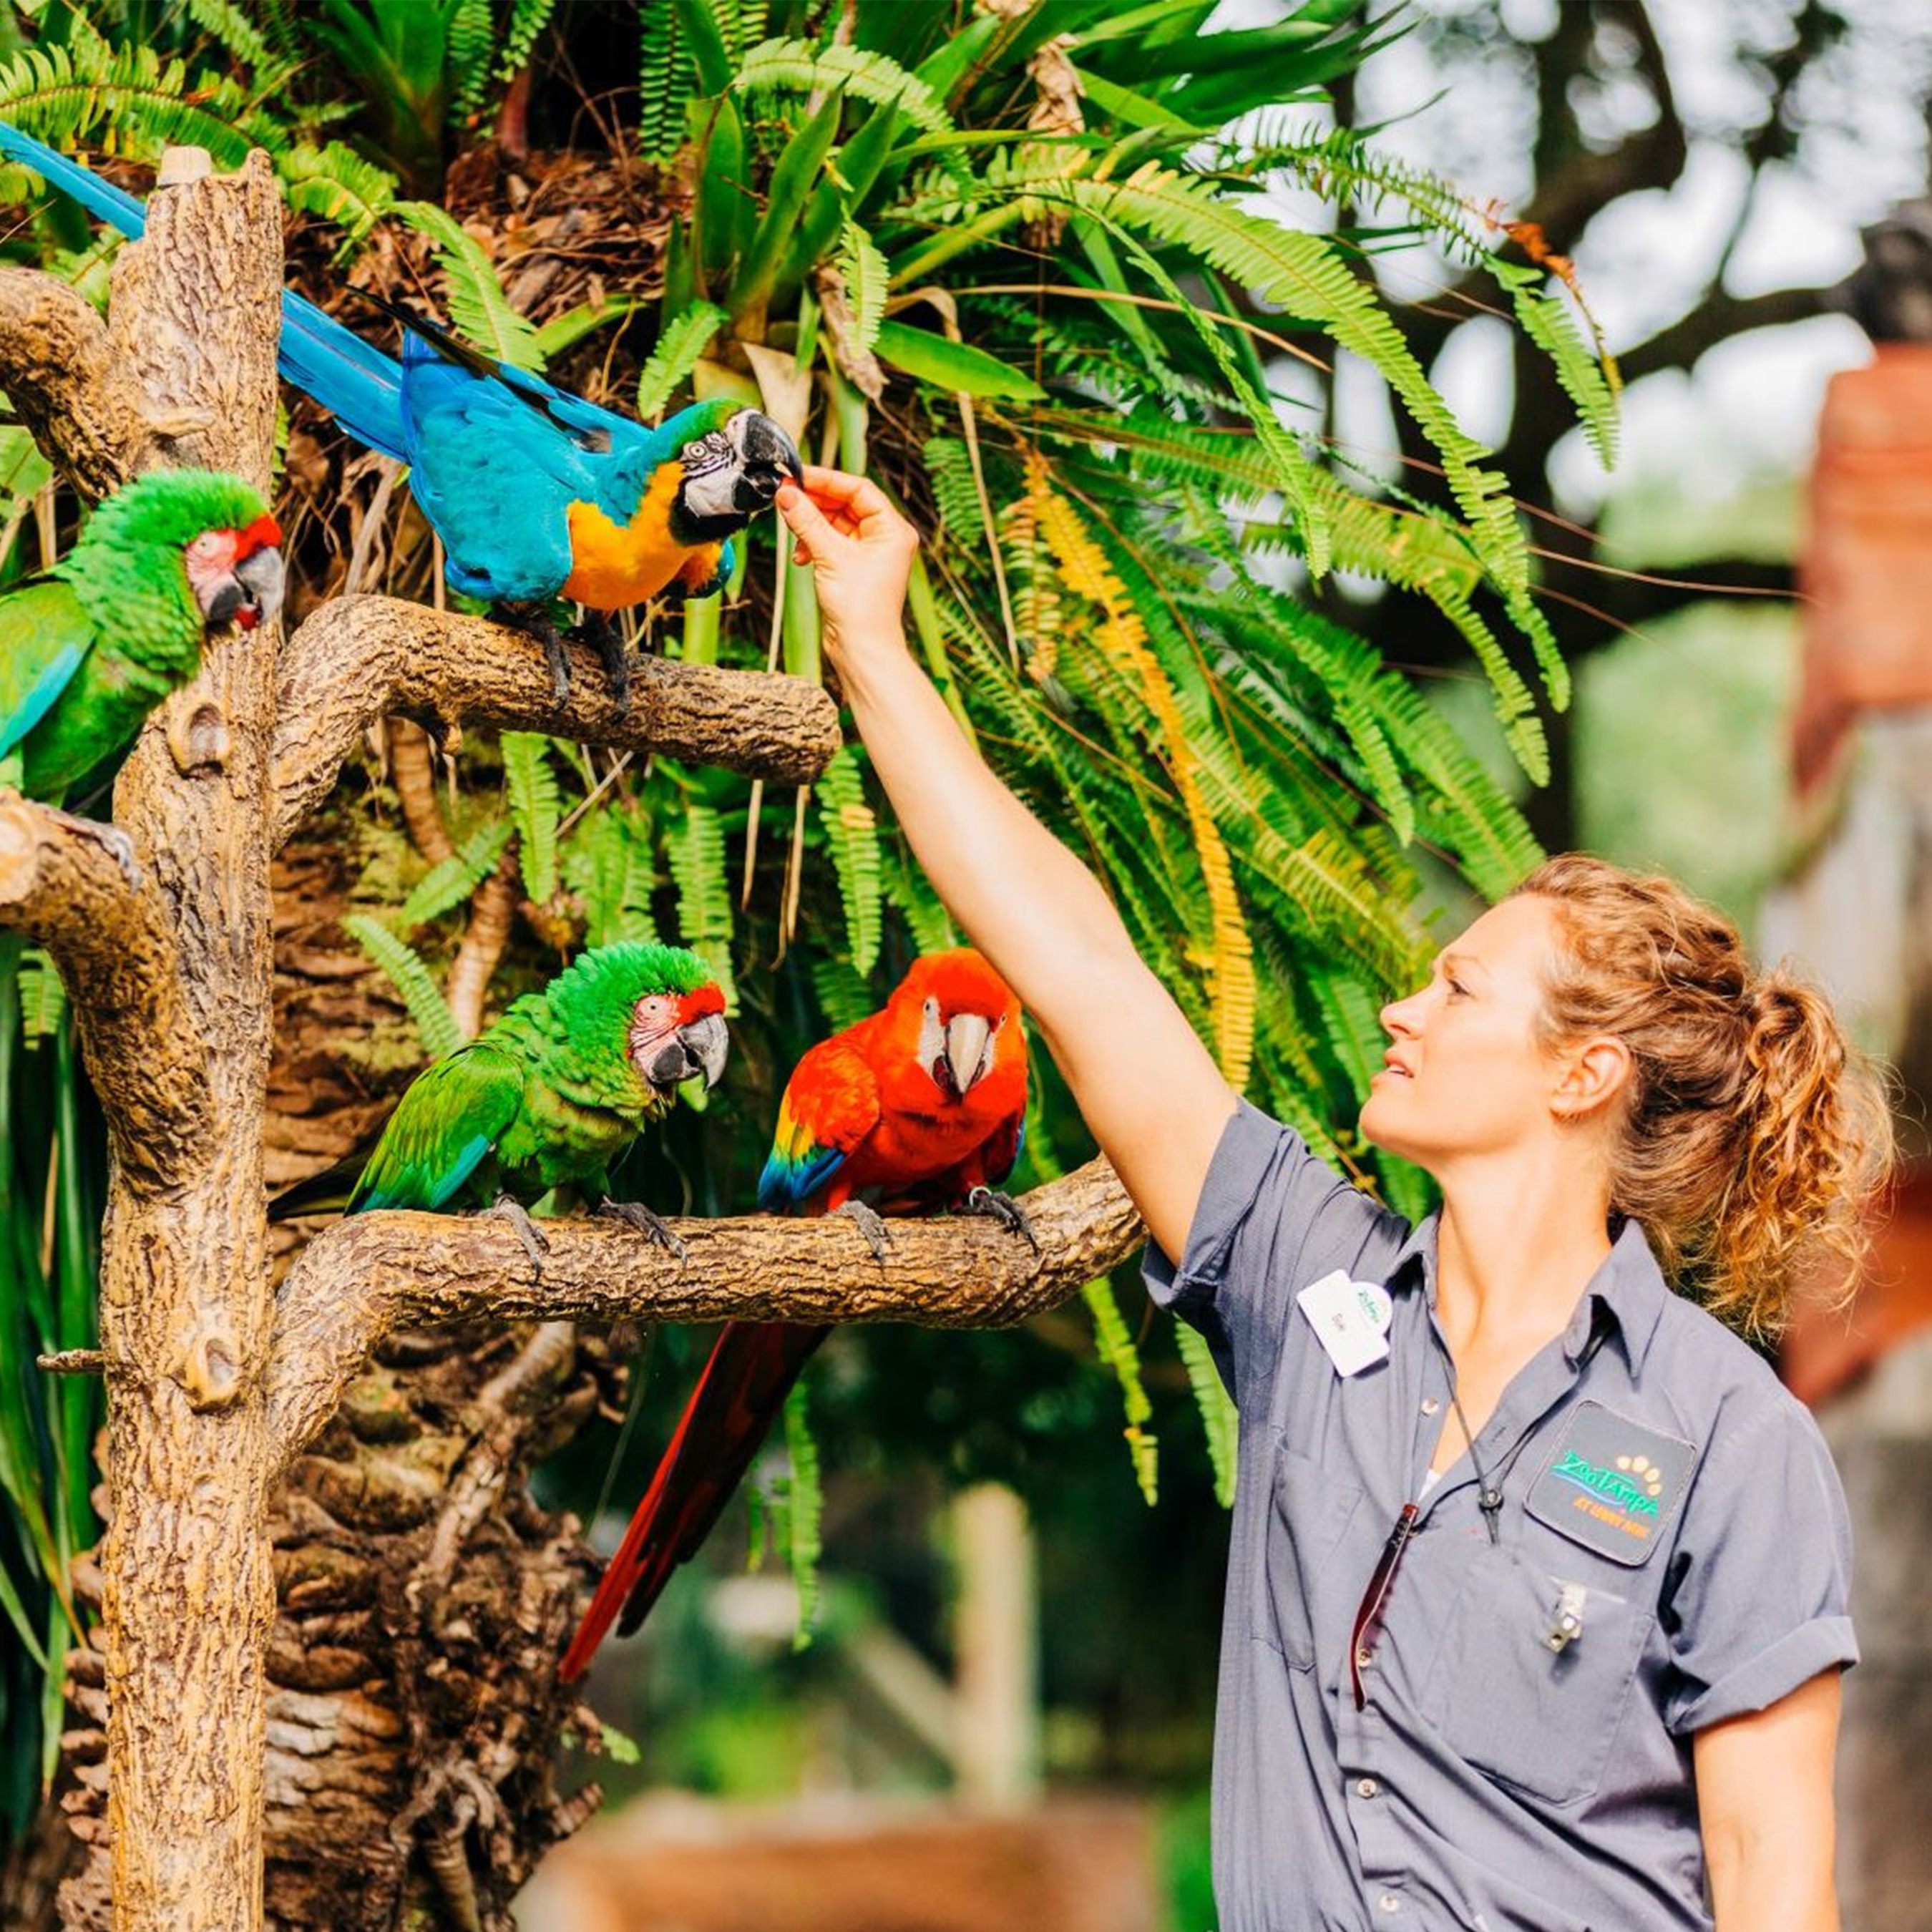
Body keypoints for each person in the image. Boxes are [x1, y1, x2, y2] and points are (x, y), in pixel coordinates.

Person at [773, 466, 1890, 1932]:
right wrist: (869, 636)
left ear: (1582, 1077)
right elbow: (1075, 960)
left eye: (1458, 985)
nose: (1399, 1005)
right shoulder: (1303, 1281)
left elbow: (1770, 1878)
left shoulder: (1728, 1441)